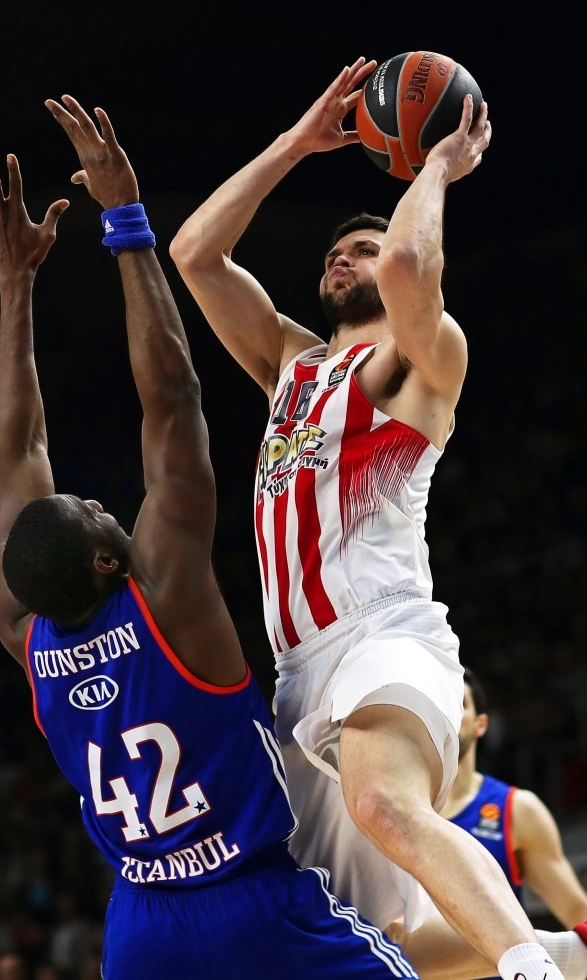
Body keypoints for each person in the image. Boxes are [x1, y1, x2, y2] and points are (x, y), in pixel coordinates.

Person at [0, 95, 420, 980]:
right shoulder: (164, 599)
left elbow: (19, 450)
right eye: (101, 516)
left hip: (139, 924)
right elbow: (171, 401)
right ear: (106, 556)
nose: (113, 511)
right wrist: (124, 223)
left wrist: (15, 288)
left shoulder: (27, 635)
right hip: (253, 903)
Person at [169, 55, 568, 980]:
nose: (340, 261)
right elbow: (195, 253)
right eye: (330, 255)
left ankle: (531, 974)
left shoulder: (422, 361)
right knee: (360, 930)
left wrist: (432, 163)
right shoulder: (289, 366)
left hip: (385, 635)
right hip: (299, 672)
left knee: (388, 810)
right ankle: (560, 956)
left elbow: (403, 263)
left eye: (353, 251)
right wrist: (298, 143)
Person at [443, 668, 587, 929]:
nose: (449, 711)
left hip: (499, 969)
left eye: (460, 703)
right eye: (440, 701)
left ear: (481, 724)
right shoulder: (385, 804)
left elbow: (576, 911)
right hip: (408, 969)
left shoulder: (518, 810)